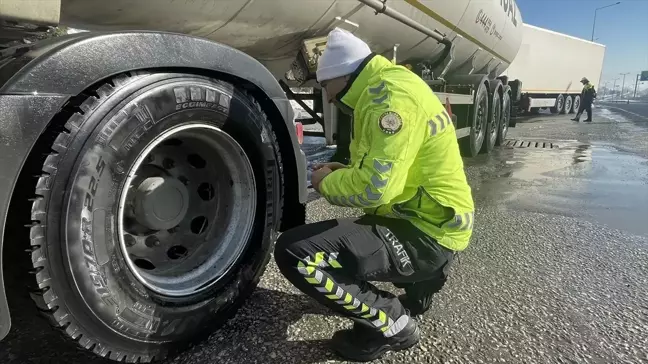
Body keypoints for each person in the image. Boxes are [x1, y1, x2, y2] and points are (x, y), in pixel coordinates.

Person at [274, 28, 474, 362]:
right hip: (433, 221)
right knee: (353, 232)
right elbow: (388, 166)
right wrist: (344, 170)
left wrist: (325, 183)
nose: (329, 97)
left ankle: (392, 322)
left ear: (341, 76)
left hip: (426, 235)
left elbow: (375, 188)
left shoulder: (388, 101)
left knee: (297, 253)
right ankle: (423, 282)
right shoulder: (387, 86)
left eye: (325, 87)